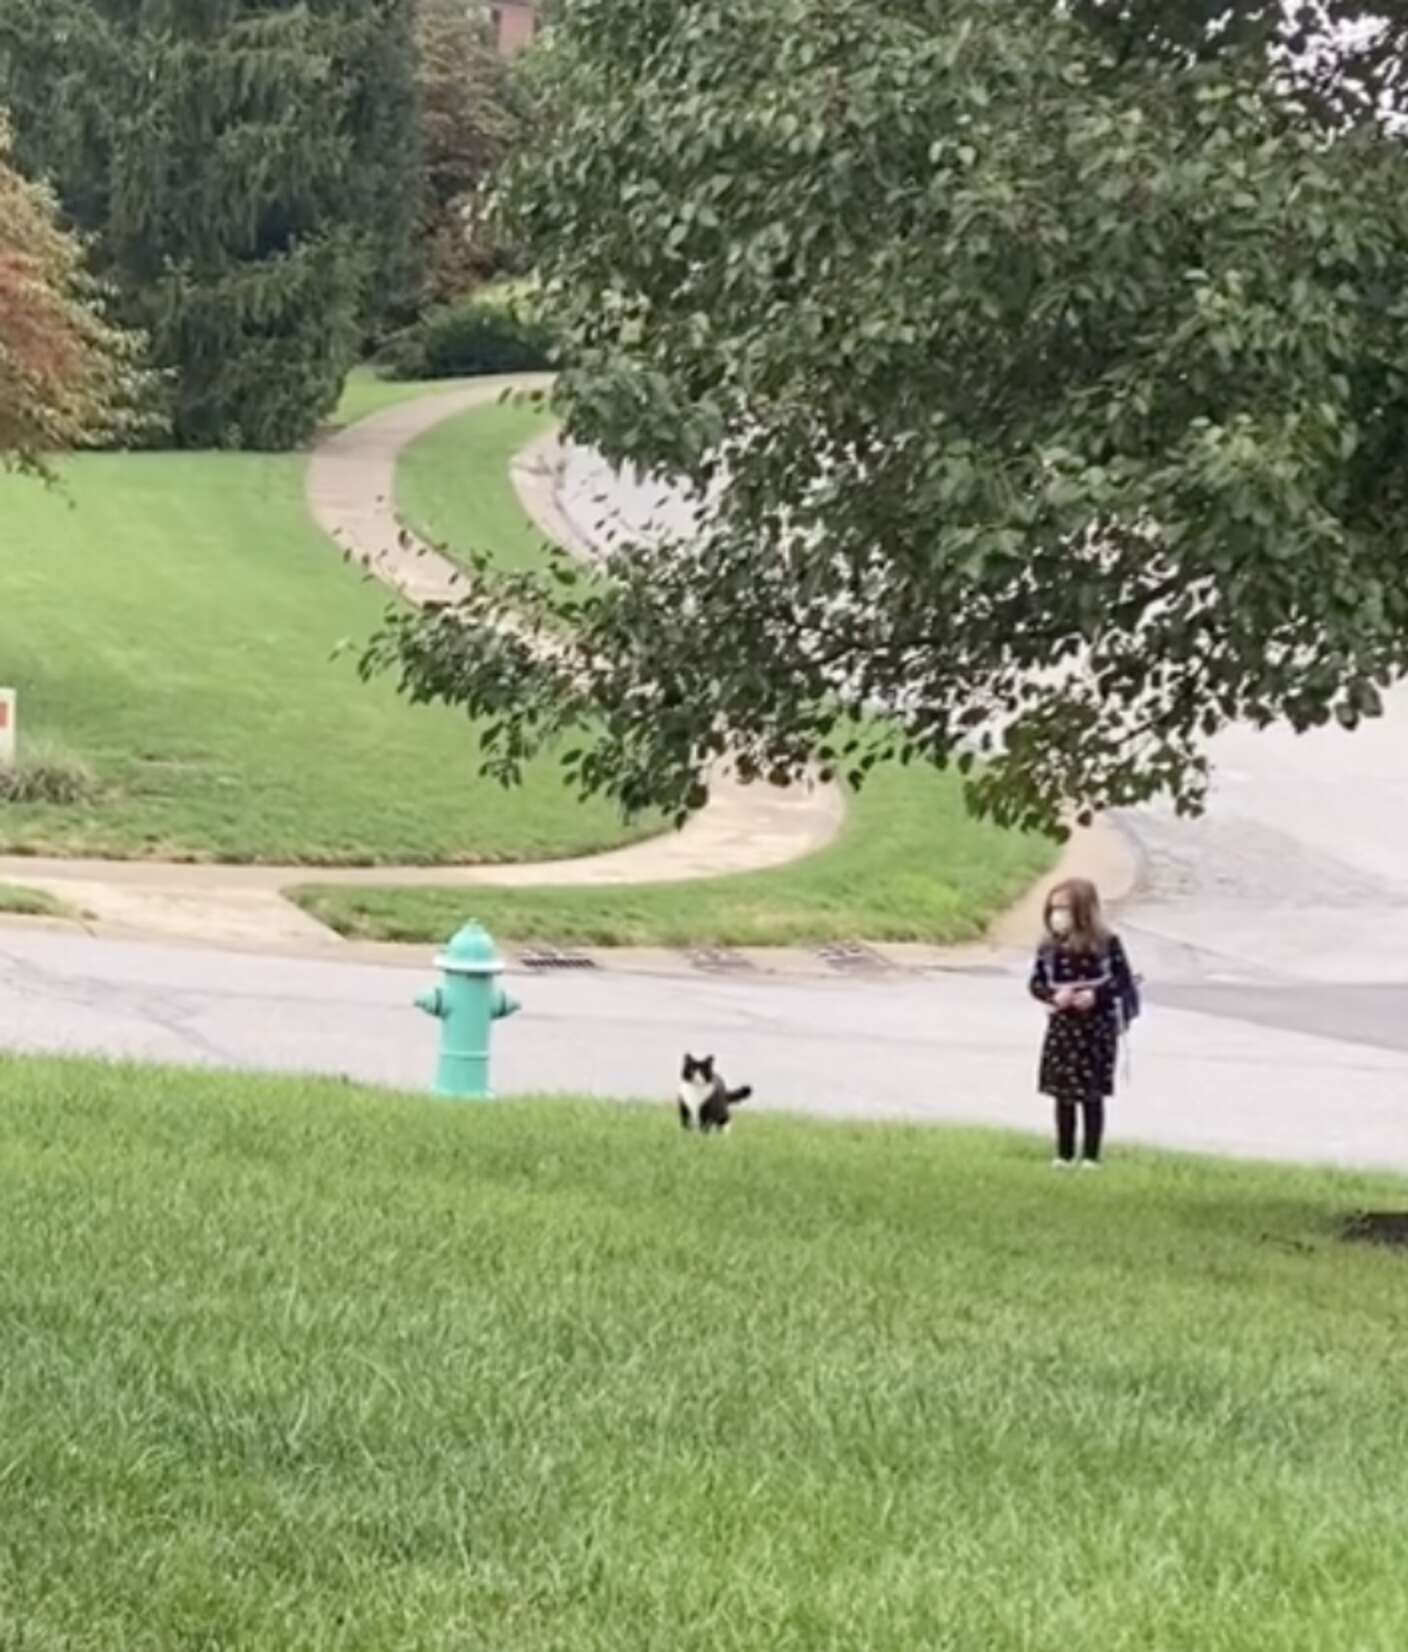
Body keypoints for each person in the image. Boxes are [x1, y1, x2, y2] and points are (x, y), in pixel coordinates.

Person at [1028, 877, 1138, 1169]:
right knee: (1063, 1093)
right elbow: (1036, 983)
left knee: (1091, 1093)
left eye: (1064, 908)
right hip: (1063, 1028)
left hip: (1096, 1029)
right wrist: (1054, 996)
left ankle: (1091, 1154)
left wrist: (1096, 996)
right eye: (1053, 909)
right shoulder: (1049, 947)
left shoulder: (1106, 944)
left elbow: (1122, 981)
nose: (1057, 915)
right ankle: (1063, 1153)